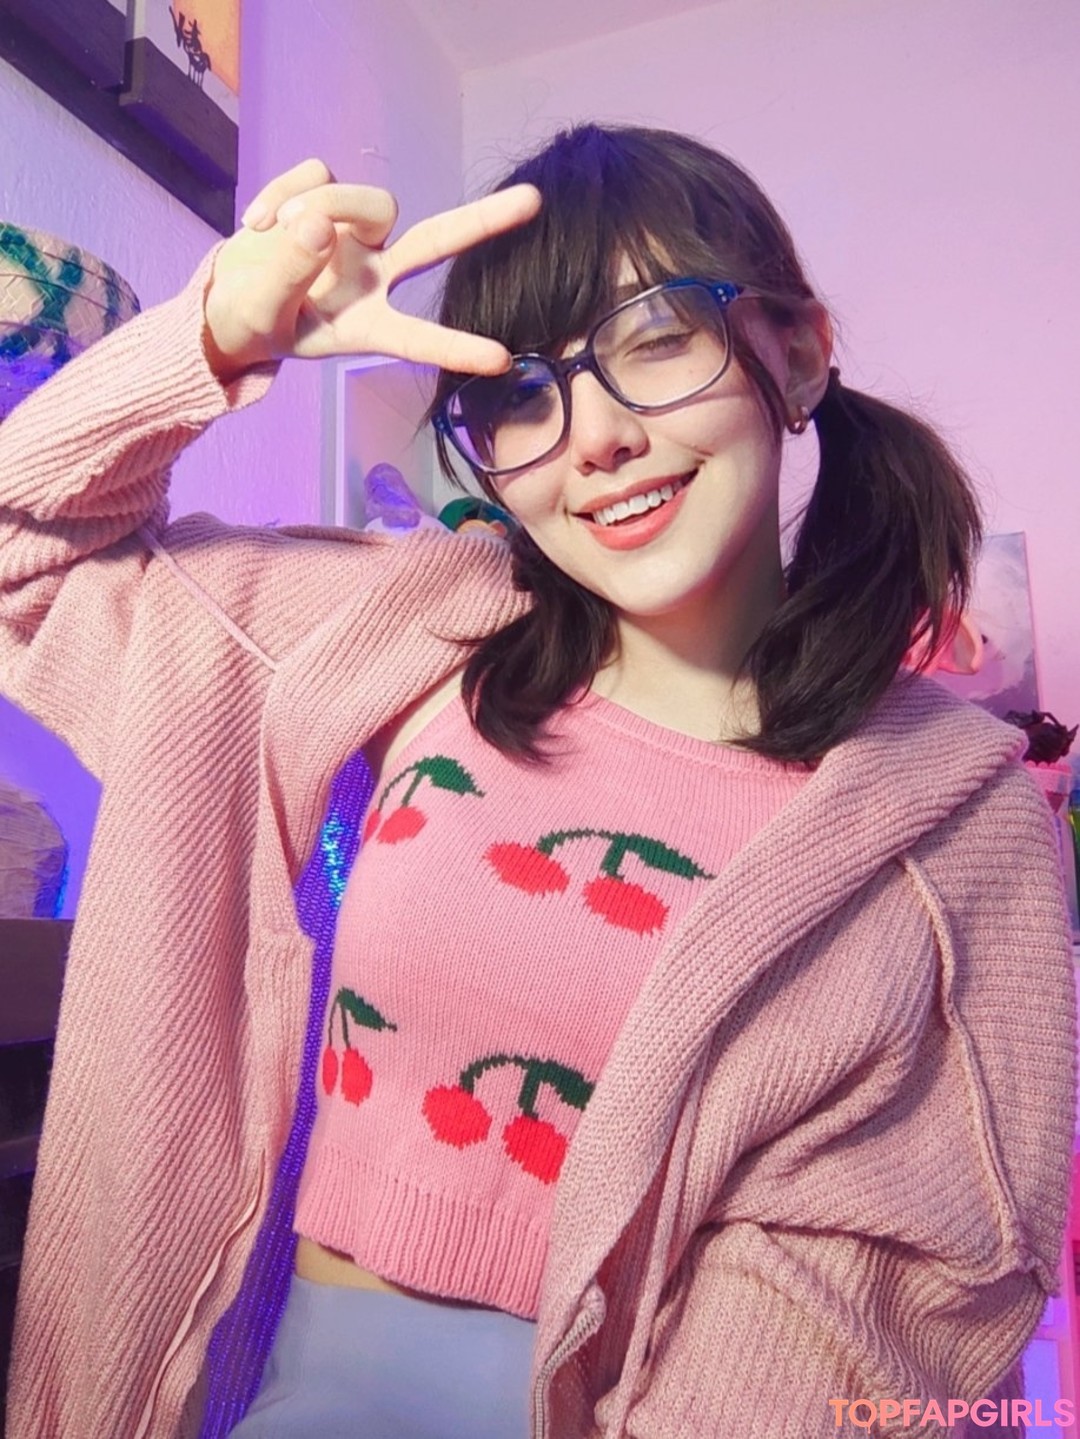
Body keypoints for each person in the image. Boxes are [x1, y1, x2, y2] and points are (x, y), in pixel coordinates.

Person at [1, 125, 1074, 1439]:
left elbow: (914, 1287)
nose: (596, 439)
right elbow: (23, 561)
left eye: (656, 338)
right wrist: (216, 337)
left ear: (797, 353)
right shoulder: (417, 643)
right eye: (522, 390)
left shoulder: (948, 820)